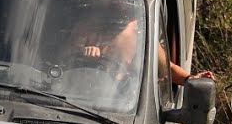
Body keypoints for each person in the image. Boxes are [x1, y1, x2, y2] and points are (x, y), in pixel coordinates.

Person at [80, 17, 215, 86]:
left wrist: (192, 80)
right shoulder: (88, 26)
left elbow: (166, 69)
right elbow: (63, 55)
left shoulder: (142, 35)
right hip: (80, 94)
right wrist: (85, 53)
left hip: (123, 105)